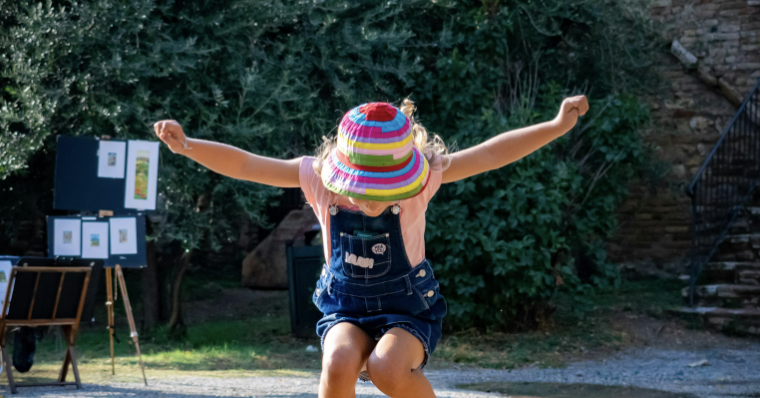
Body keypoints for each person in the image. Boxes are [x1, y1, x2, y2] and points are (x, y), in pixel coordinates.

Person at [154, 95, 588, 398]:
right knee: (339, 361)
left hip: (408, 309)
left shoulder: (425, 178)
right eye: (362, 188)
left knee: (387, 368)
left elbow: (490, 154)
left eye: (383, 190)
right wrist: (187, 146)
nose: (369, 199)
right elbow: (247, 164)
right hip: (345, 307)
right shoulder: (317, 179)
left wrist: (556, 125)